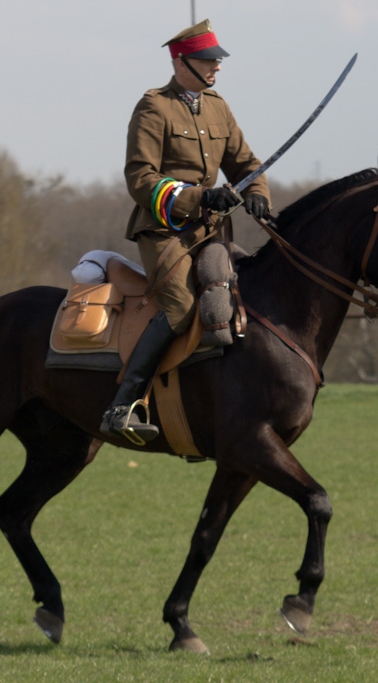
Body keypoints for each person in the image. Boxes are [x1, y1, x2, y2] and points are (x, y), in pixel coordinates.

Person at [100, 18, 272, 445]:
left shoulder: (218, 107)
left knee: (238, 295)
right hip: (163, 231)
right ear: (182, 62)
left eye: (217, 60)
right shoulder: (154, 107)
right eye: (207, 60)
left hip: (210, 233)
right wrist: (199, 198)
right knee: (179, 308)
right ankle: (124, 404)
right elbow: (140, 178)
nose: (216, 68)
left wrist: (259, 195)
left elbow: (247, 165)